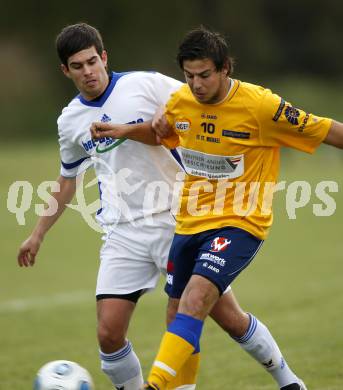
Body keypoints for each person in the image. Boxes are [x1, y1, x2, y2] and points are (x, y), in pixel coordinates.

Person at [17, 23, 310, 390]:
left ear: (104, 57)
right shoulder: (70, 121)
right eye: (77, 66)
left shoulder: (146, 85)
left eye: (92, 61)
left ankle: (289, 381)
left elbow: (209, 103)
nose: (88, 71)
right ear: (66, 70)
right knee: (108, 334)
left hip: (178, 219)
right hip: (122, 232)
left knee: (224, 318)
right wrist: (37, 234)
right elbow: (67, 179)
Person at [91, 26, 343, 390]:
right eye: (189, 76)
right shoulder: (181, 102)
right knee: (180, 314)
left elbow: (325, 130)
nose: (196, 84)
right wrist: (126, 130)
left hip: (241, 222)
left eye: (204, 75)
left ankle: (155, 385)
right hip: (190, 222)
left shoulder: (260, 106)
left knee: (194, 299)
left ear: (226, 68)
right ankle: (290, 384)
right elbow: (163, 133)